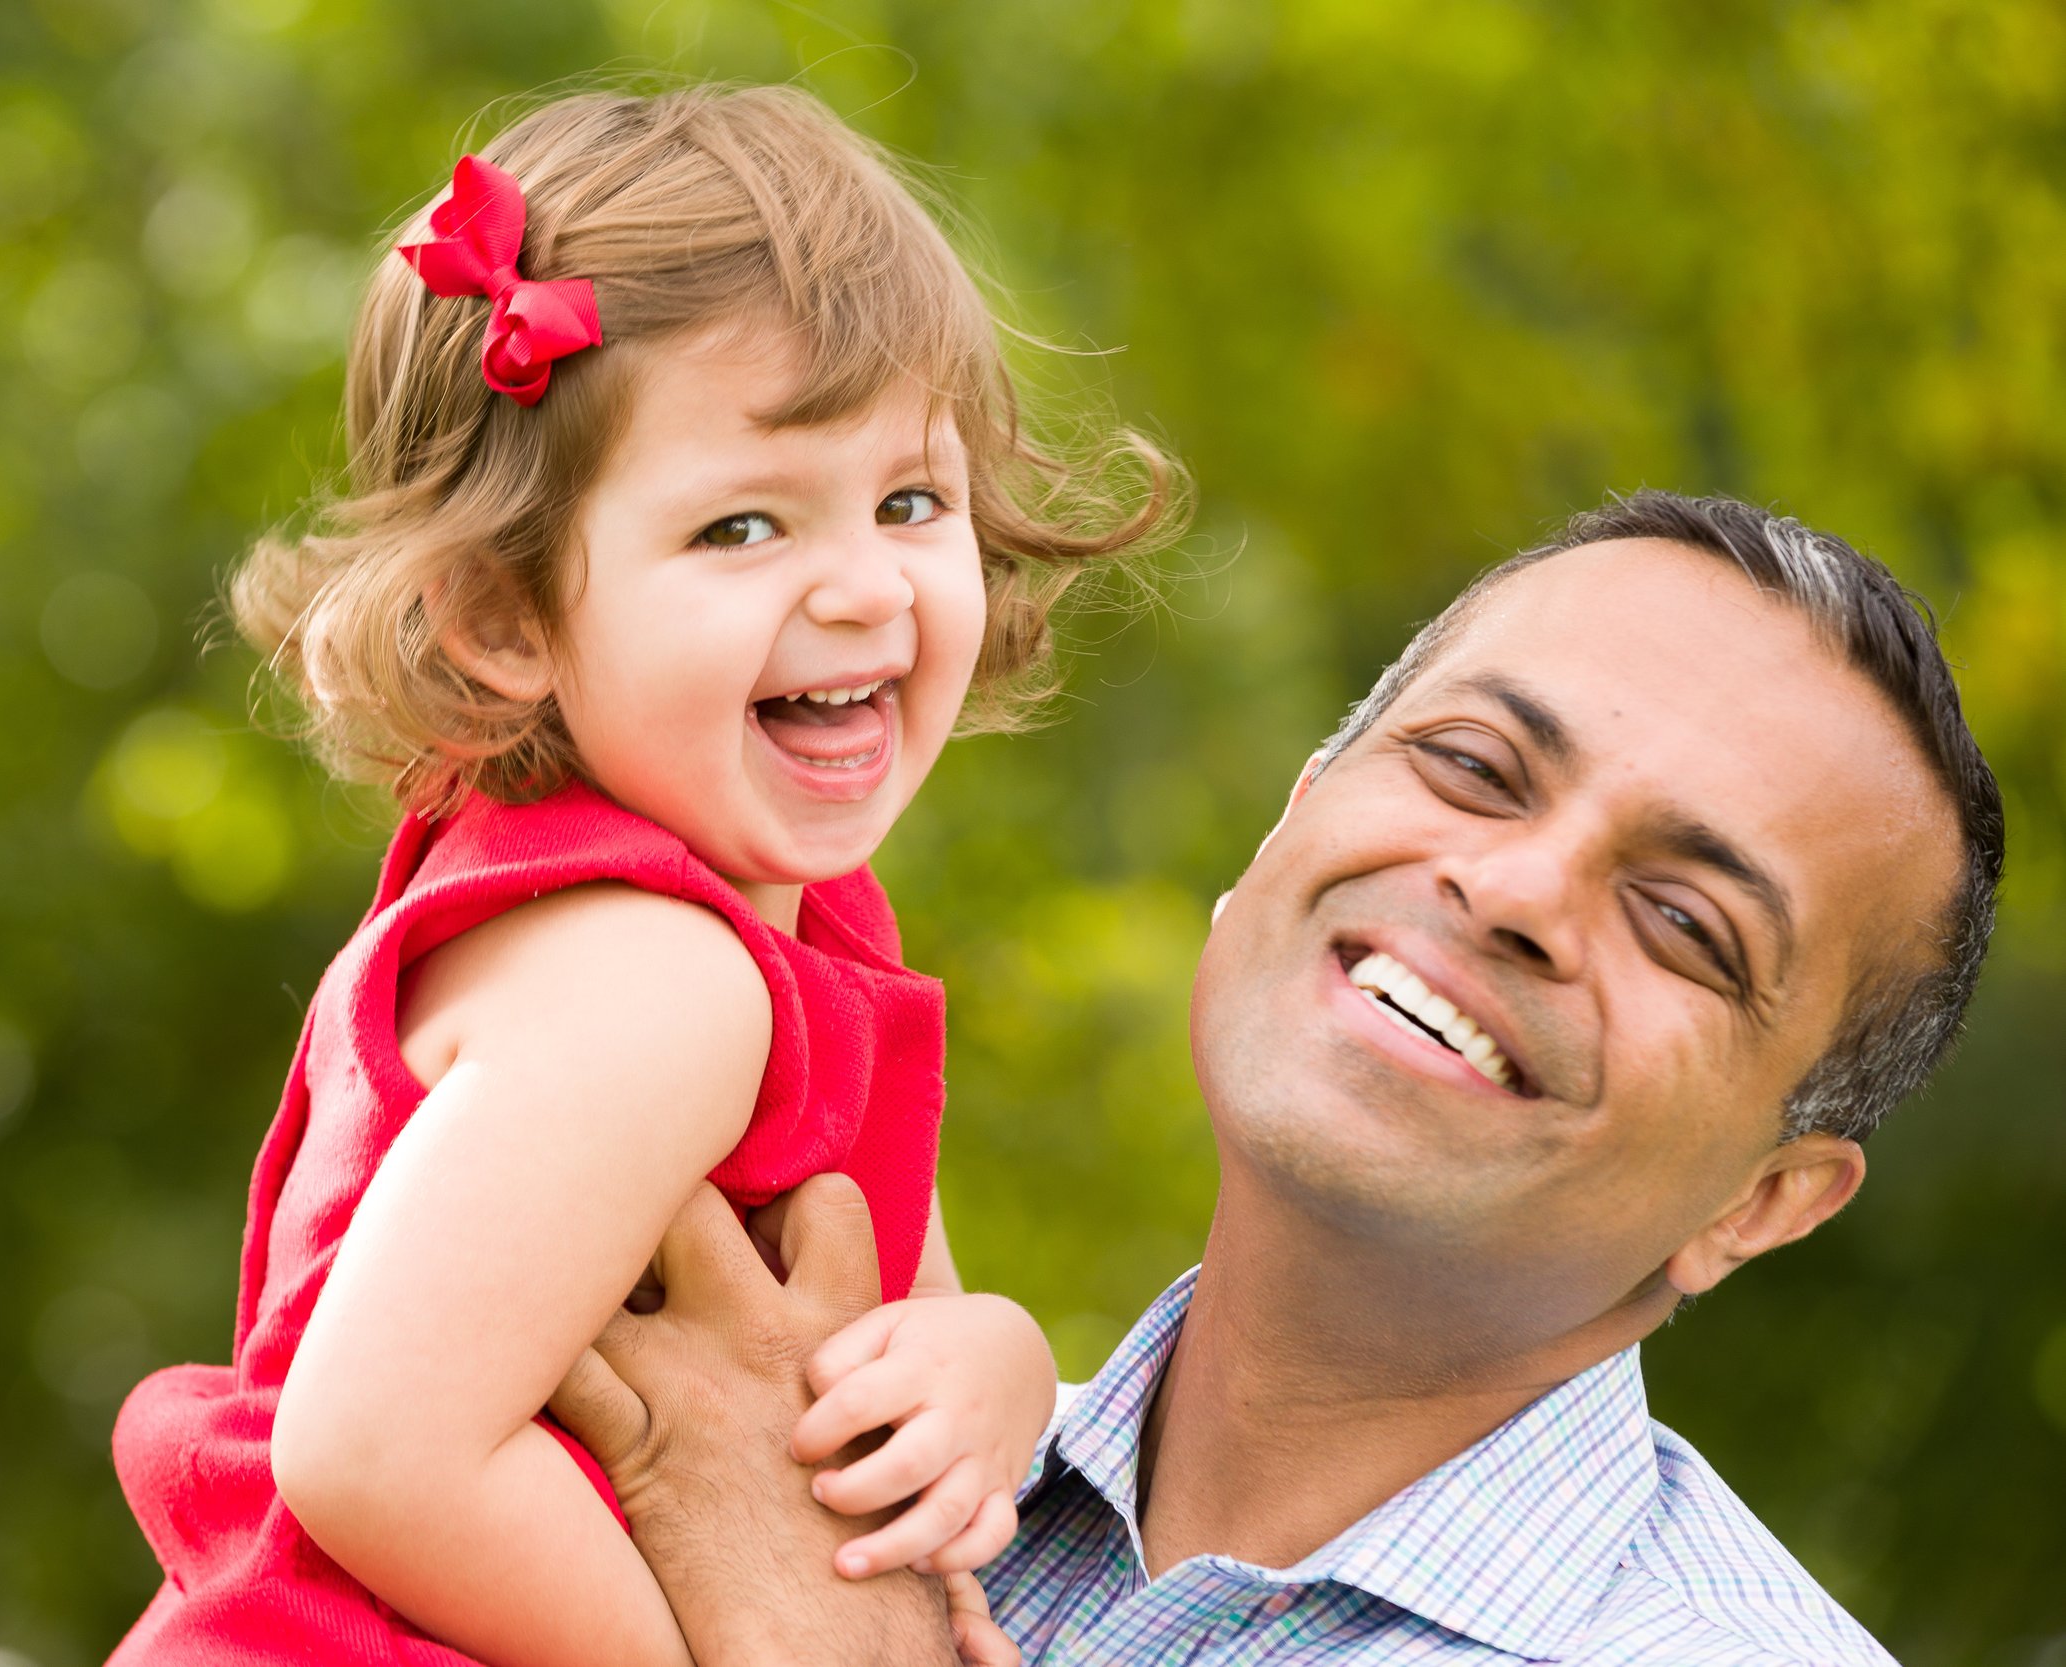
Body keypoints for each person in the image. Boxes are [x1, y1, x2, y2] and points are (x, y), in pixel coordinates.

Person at [547, 491, 2007, 1666]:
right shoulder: (829, 1463)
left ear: (1763, 1201)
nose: (1513, 889)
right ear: (1277, 843)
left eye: (1687, 923)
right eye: (1476, 765)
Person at [102, 85, 1180, 1667]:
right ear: (504, 619)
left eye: (910, 501)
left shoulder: (768, 937)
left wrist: (998, 1363)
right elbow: (373, 1454)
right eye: (744, 525)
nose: (863, 585)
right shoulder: (651, 978)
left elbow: (890, 1323)